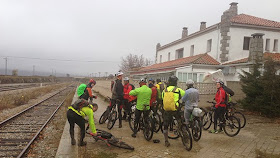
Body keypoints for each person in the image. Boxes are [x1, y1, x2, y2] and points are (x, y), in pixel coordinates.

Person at [162, 76, 185, 147]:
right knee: (180, 121)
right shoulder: (178, 89)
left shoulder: (164, 90)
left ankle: (166, 141)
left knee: (165, 126)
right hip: (175, 109)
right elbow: (184, 95)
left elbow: (163, 98)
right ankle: (184, 135)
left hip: (167, 110)